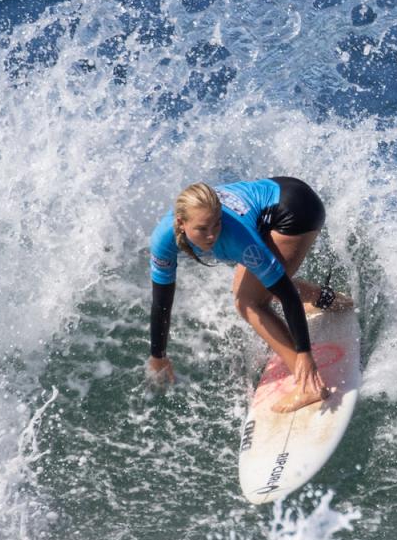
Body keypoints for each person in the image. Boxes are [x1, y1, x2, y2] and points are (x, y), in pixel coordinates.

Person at [146, 176, 352, 411]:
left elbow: (286, 294)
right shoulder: (163, 240)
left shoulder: (236, 236)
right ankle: (326, 299)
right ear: (181, 222)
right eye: (202, 229)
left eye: (216, 224)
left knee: (249, 301)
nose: (212, 235)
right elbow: (161, 301)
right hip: (276, 197)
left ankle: (310, 386)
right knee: (260, 284)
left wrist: (305, 352)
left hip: (295, 210)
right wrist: (158, 355)